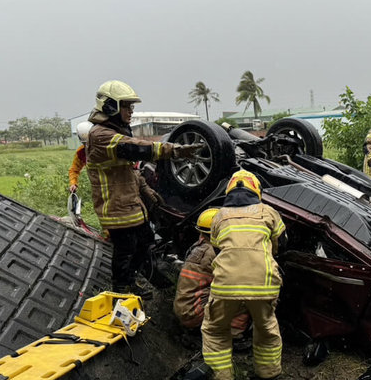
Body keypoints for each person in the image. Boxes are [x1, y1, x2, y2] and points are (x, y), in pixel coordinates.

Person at [86, 80, 202, 296]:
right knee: (125, 251)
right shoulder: (101, 136)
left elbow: (130, 171)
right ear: (110, 106)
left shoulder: (116, 131)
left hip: (130, 205)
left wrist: (147, 191)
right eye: (126, 106)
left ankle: (130, 281)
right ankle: (120, 290)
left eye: (132, 107)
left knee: (145, 242)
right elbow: (137, 148)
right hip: (116, 207)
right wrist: (174, 150)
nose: (131, 111)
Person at [201, 170, 287, 380]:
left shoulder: (219, 216)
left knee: (216, 329)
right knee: (266, 326)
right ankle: (267, 375)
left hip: (226, 284)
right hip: (263, 282)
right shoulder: (268, 212)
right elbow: (282, 244)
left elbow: (216, 248)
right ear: (256, 190)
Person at [174, 208, 251, 338]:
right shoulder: (213, 254)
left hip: (186, 309)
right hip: (194, 313)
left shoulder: (201, 247)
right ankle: (231, 335)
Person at [68, 121, 92, 193]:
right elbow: (74, 170)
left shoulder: (107, 148)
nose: (87, 145)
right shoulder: (81, 152)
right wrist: (73, 184)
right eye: (84, 143)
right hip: (97, 186)